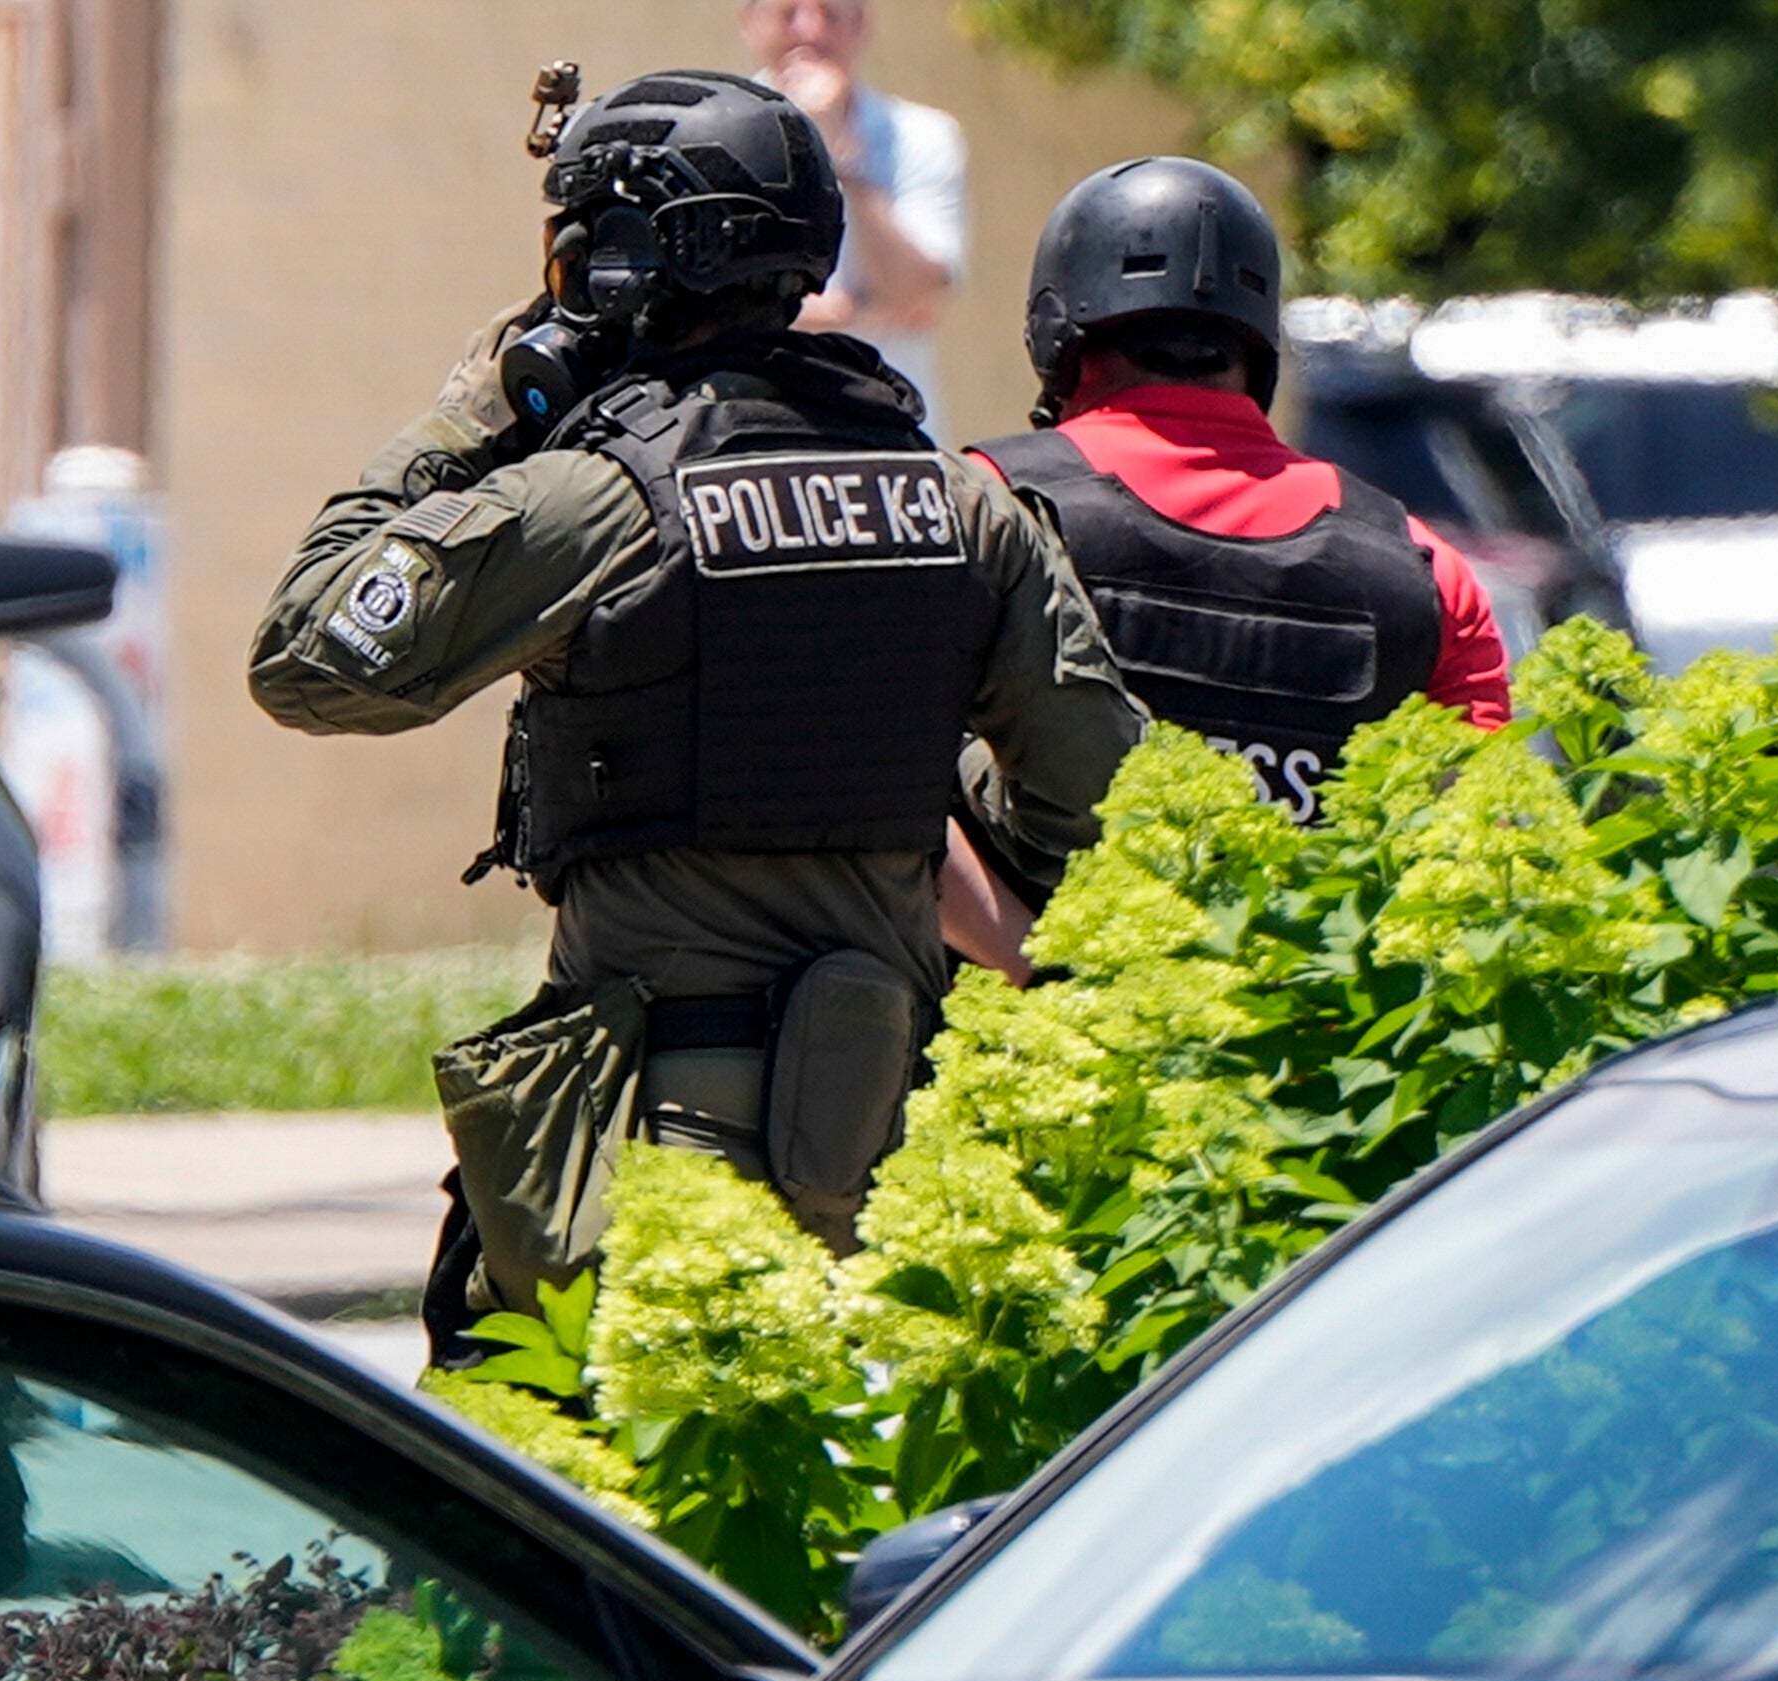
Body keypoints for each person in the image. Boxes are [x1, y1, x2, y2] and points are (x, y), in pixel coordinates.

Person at [247, 71, 1142, 1328]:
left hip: (632, 1171)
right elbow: (1105, 803)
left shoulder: (595, 506)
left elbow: (306, 657)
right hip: (884, 1155)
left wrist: (473, 413)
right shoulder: (963, 506)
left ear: (618, 270)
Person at [968, 156, 1511, 839]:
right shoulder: (1426, 570)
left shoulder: (981, 507)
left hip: (1015, 944)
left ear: (1054, 330)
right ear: (1256, 347)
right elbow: (1477, 841)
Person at [740, 0, 965, 439]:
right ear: (750, 24)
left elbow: (915, 295)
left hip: (889, 433)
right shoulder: (717, 134)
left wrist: (840, 156)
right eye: (788, 13)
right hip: (758, 430)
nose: (809, 31)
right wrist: (860, 311)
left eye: (830, 13)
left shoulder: (923, 137)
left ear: (861, 24)